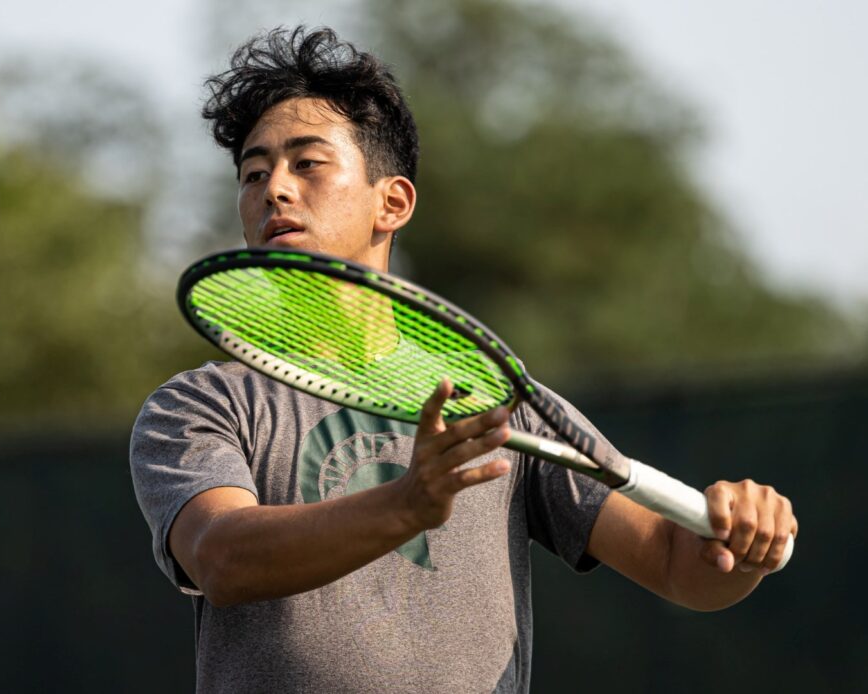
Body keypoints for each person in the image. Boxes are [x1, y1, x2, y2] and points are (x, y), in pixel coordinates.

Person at [130, 26, 797, 693]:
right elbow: (222, 559)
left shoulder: (497, 397)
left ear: (391, 202)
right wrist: (405, 504)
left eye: (306, 164)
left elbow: (678, 565)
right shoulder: (201, 404)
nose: (274, 188)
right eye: (253, 172)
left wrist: (745, 546)